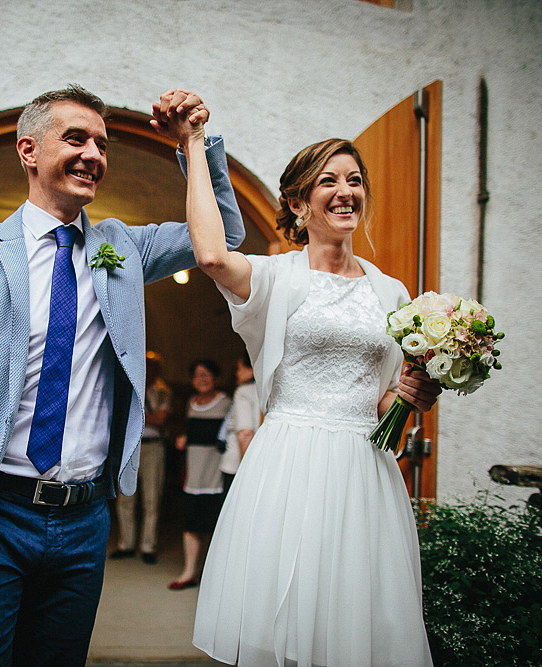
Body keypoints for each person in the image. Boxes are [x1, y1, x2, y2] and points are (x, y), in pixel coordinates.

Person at [0, 85, 245, 666]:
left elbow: (223, 236)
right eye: (75, 138)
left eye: (102, 144)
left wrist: (195, 144)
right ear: (29, 150)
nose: (94, 154)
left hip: (84, 523)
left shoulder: (122, 248)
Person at [163, 97, 441, 667]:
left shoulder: (394, 294)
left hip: (366, 471)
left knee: (356, 622)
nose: (346, 191)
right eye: (328, 181)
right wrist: (193, 145)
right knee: (285, 619)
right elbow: (212, 254)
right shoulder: (275, 277)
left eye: (355, 180)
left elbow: (387, 394)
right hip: (289, 464)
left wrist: (415, 396)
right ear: (298, 202)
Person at [169, 359, 230, 590]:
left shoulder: (227, 403)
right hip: (193, 476)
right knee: (191, 524)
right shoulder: (191, 403)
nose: (201, 379)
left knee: (213, 527)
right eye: (196, 375)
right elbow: (190, 432)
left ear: (217, 378)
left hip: (215, 478)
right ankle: (189, 572)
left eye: (206, 374)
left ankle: (213, 574)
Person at [110, 350, 171, 564]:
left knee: (151, 499)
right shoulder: (128, 386)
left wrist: (142, 414)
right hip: (131, 446)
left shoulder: (163, 391)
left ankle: (148, 546)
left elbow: (159, 420)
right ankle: (125, 544)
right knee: (125, 499)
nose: (149, 369)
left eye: (153, 366)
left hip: (153, 447)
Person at [218, 351, 259, 496]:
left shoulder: (244, 392)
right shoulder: (266, 391)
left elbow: (245, 433)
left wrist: (246, 472)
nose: (237, 373)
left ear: (252, 369)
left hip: (238, 463)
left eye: (240, 368)